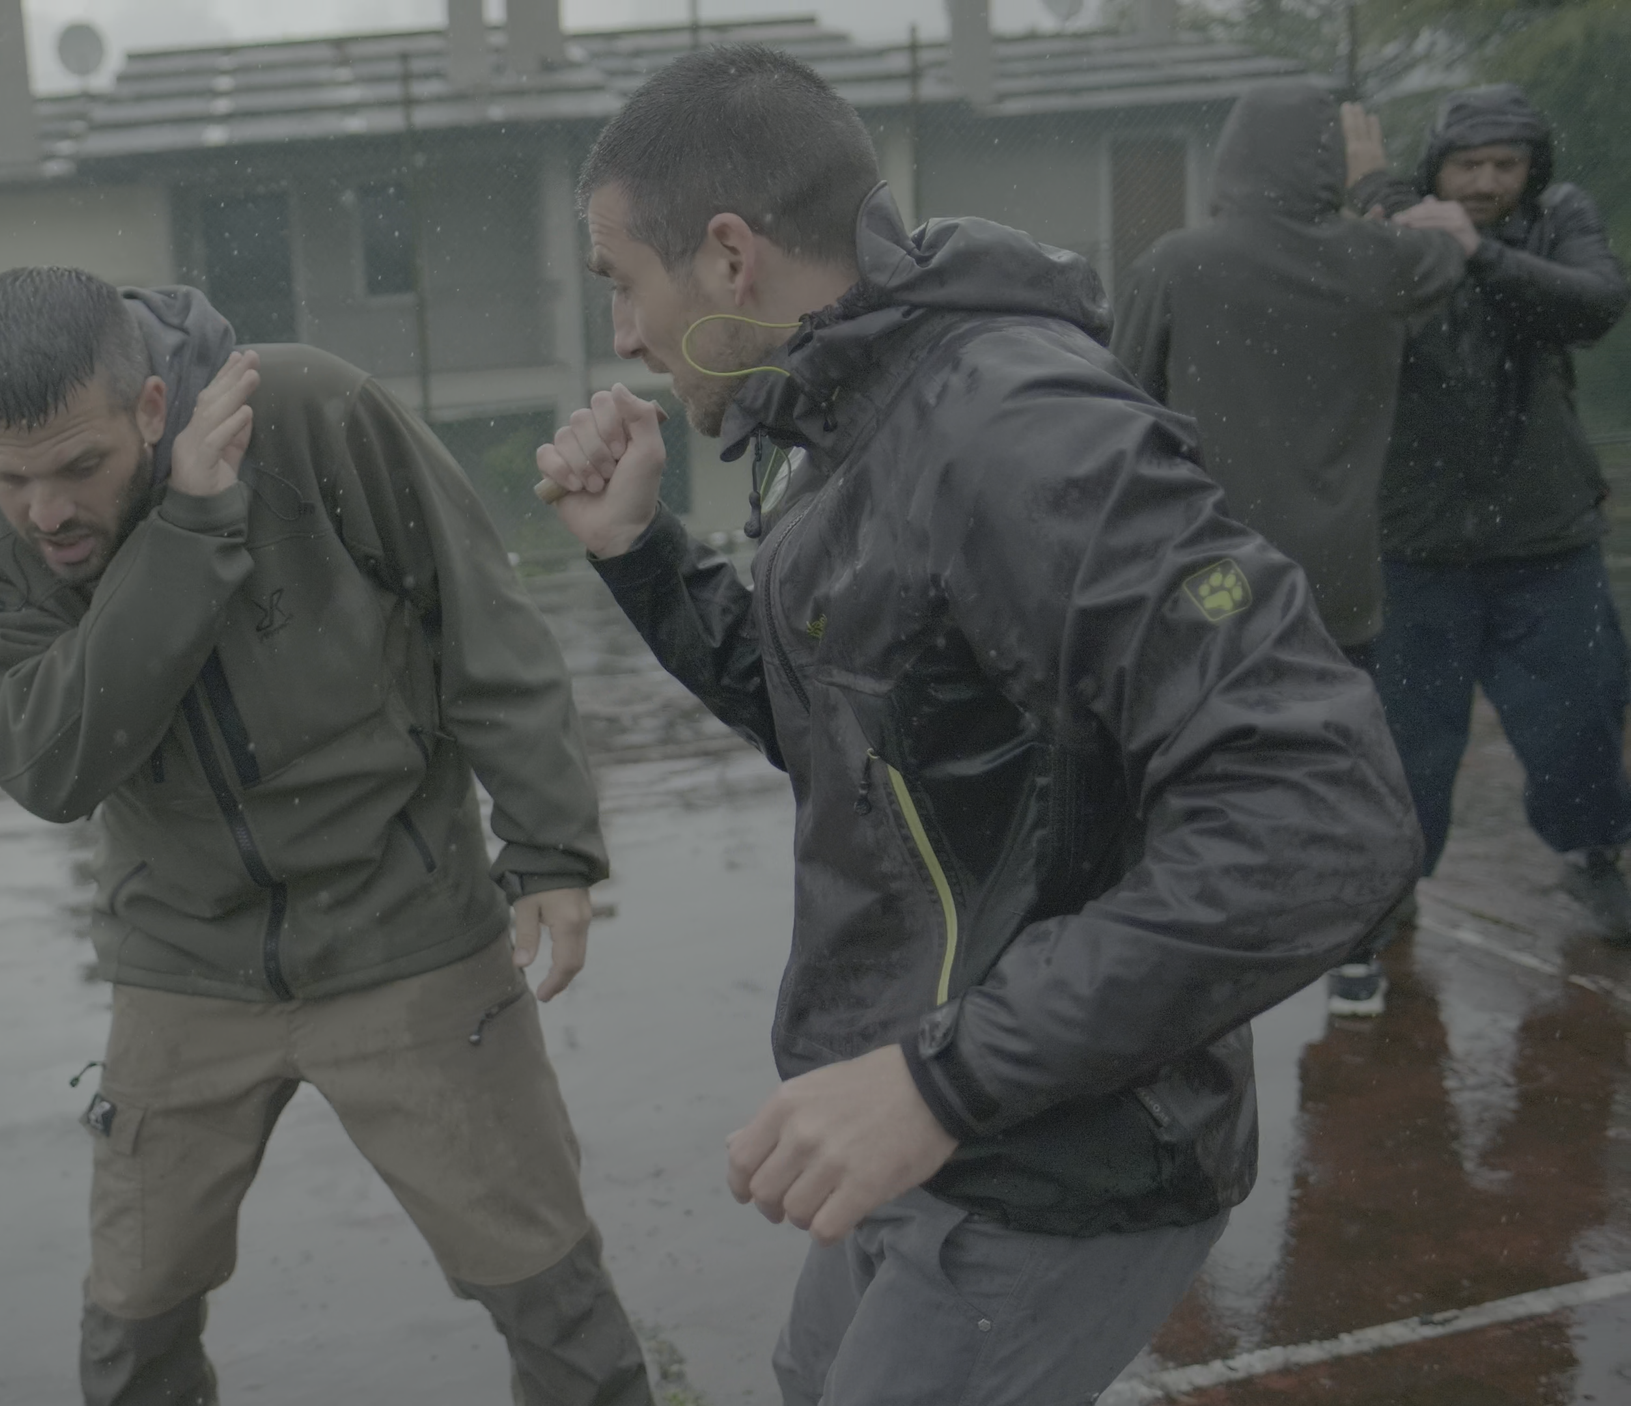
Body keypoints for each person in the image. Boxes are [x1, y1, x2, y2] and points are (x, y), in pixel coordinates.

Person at [533, 47, 1420, 1405]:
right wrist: (642, 554)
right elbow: (866, 725)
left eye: (621, 282)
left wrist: (942, 1081)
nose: (623, 336)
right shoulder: (851, 411)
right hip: (928, 1109)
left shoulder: (1016, 427)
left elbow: (1325, 817)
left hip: (1059, 1153)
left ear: (727, 257)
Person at [0, 268, 652, 1406]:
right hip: (182, 956)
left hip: (405, 925)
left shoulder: (307, 412)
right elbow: (53, 764)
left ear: (150, 407)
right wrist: (187, 528)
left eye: (77, 467)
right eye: (9, 476)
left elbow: (478, 614)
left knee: (551, 1298)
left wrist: (551, 841)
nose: (44, 512)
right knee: (132, 1330)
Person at [1112, 81, 1466, 1017]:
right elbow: (1454, 246)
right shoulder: (1383, 262)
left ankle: (1197, 959)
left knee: (1202, 770)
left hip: (1213, 580)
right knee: (1348, 767)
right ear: (1330, 162)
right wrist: (1374, 187)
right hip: (1342, 582)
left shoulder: (1177, 264)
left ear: (1232, 159)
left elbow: (1119, 407)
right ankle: (1359, 954)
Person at [1346, 84, 1631, 946]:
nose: (1486, 181)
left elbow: (1595, 303)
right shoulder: (1398, 224)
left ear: (1533, 170)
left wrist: (1478, 252)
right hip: (1416, 541)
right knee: (1411, 737)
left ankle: (1594, 854)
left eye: (1507, 164)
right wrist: (1379, 200)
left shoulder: (1559, 219)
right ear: (1437, 166)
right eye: (1468, 164)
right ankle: (1395, 881)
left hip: (1547, 536)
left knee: (1581, 714)